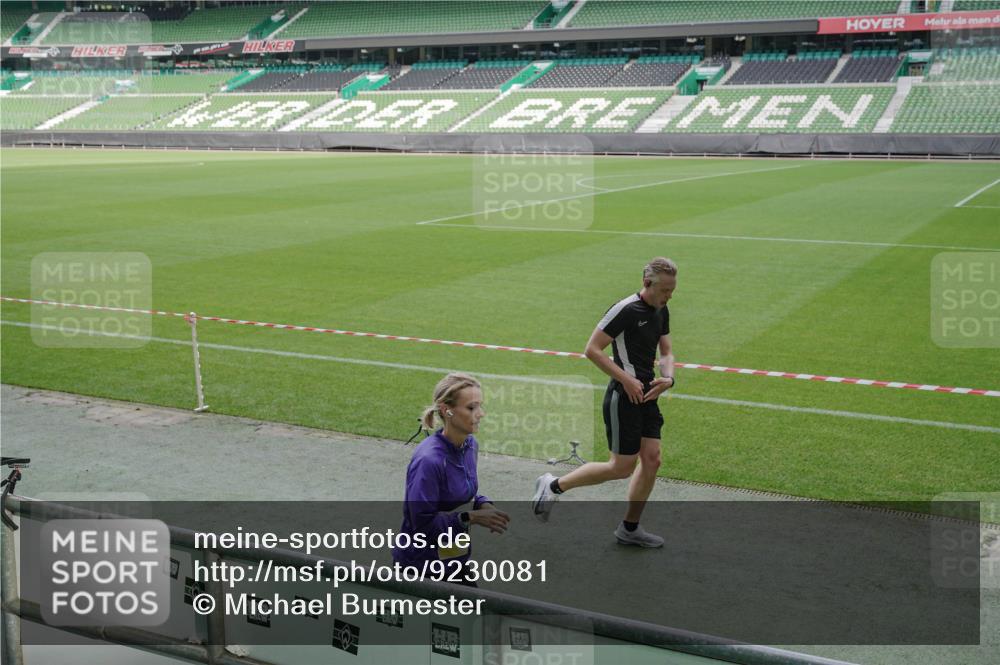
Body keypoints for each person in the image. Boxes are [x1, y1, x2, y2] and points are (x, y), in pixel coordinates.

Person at [532, 257, 677, 548]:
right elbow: (592, 349)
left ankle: (630, 528)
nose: (669, 296)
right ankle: (553, 485)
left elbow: (667, 350)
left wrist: (668, 378)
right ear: (647, 283)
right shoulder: (624, 310)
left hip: (648, 395)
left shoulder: (662, 309)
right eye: (665, 291)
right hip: (623, 397)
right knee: (621, 467)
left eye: (673, 291)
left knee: (652, 460)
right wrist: (625, 379)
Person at [393, 373, 510, 584]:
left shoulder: (469, 445)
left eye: (480, 406)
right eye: (471, 408)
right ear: (447, 410)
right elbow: (422, 526)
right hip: (421, 569)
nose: (481, 414)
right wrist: (470, 518)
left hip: (454, 559)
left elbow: (459, 491)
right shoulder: (429, 460)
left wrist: (482, 504)